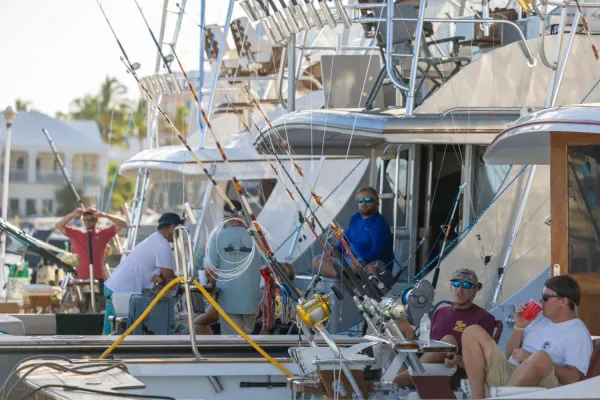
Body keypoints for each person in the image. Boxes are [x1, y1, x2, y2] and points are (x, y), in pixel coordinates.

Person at [462, 275, 593, 399]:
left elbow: (573, 378)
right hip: (511, 375)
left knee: (541, 357)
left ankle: (501, 396)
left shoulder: (577, 331)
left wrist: (530, 357)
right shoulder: (540, 320)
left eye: (546, 297)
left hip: (542, 385)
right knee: (472, 332)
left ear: (563, 301)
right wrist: (520, 326)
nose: (541, 301)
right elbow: (509, 355)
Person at [394, 268, 495, 387]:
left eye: (466, 285)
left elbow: (482, 363)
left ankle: (406, 378)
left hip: (450, 370)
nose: (460, 290)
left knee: (448, 341)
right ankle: (403, 375)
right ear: (450, 287)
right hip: (425, 362)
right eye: (456, 284)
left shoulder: (484, 318)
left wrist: (456, 359)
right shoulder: (440, 312)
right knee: (397, 325)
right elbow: (427, 344)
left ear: (475, 290)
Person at [102, 212, 184, 334]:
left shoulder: (154, 239)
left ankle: (103, 352)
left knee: (109, 332)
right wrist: (184, 284)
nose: (180, 234)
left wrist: (161, 278)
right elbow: (169, 278)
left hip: (113, 287)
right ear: (173, 227)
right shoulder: (163, 245)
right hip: (122, 292)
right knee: (114, 335)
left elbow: (164, 276)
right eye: (179, 230)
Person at [195, 200, 262, 336]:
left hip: (228, 299)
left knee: (232, 339)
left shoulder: (217, 237)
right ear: (241, 216)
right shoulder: (256, 238)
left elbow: (209, 271)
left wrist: (212, 282)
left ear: (225, 218)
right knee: (248, 339)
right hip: (251, 300)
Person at [312, 186, 395, 286]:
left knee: (373, 267)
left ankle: (350, 276)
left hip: (370, 264)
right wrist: (334, 252)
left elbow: (378, 250)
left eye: (368, 200)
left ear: (376, 202)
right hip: (351, 263)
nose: (363, 203)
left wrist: (362, 262)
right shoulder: (355, 218)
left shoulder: (379, 223)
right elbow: (346, 240)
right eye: (360, 200)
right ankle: (347, 275)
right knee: (317, 260)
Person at [55, 207, 126, 312]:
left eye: (91, 219)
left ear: (96, 220)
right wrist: (73, 214)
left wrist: (105, 215)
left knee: (104, 307)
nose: (88, 222)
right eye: (85, 220)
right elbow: (58, 226)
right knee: (82, 309)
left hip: (99, 278)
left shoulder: (103, 234)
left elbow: (122, 223)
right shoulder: (77, 234)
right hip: (81, 279)